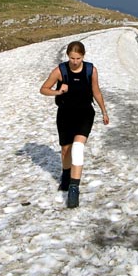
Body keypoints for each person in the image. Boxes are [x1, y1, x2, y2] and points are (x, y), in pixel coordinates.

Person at [40, 41, 109, 208]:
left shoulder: (90, 70)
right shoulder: (60, 71)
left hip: (85, 113)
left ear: (83, 56)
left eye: (78, 58)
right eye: (72, 58)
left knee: (78, 148)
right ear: (68, 56)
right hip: (65, 114)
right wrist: (58, 91)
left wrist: (104, 112)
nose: (75, 61)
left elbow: (96, 91)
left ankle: (73, 188)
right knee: (66, 150)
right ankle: (66, 176)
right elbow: (43, 89)